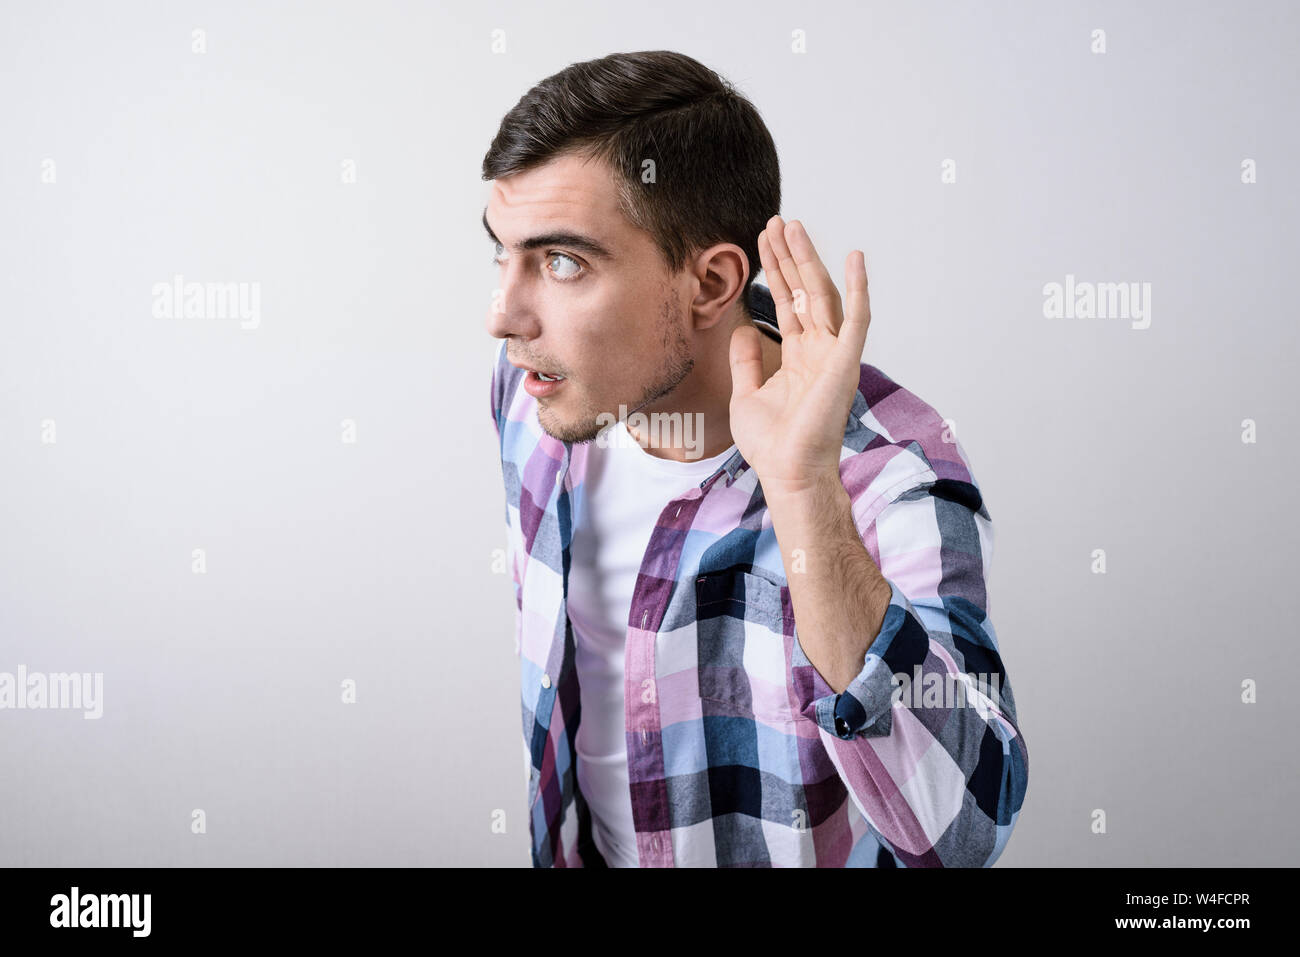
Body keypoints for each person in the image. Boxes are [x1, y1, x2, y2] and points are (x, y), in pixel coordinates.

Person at [483, 50, 1028, 867]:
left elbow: (964, 834)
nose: (504, 315)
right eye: (504, 254)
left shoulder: (891, 475)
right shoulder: (536, 397)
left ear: (709, 283)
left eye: (563, 261)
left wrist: (804, 488)